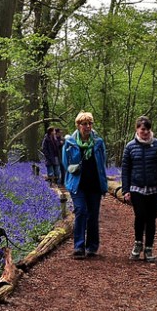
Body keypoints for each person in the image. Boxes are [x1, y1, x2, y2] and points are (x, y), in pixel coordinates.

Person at [121, 116, 157, 262]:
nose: (145, 132)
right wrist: (126, 190)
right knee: (139, 216)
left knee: (150, 218)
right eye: (142, 129)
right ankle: (138, 244)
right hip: (136, 188)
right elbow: (126, 169)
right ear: (137, 129)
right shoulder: (130, 147)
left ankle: (149, 248)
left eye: (147, 129)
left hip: (154, 188)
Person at [62, 111, 108, 259]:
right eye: (84, 124)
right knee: (81, 211)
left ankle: (92, 247)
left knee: (93, 216)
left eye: (90, 123)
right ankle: (79, 247)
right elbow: (65, 162)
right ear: (78, 125)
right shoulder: (70, 143)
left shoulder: (99, 142)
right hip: (78, 184)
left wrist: (104, 183)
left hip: (94, 184)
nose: (87, 126)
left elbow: (102, 162)